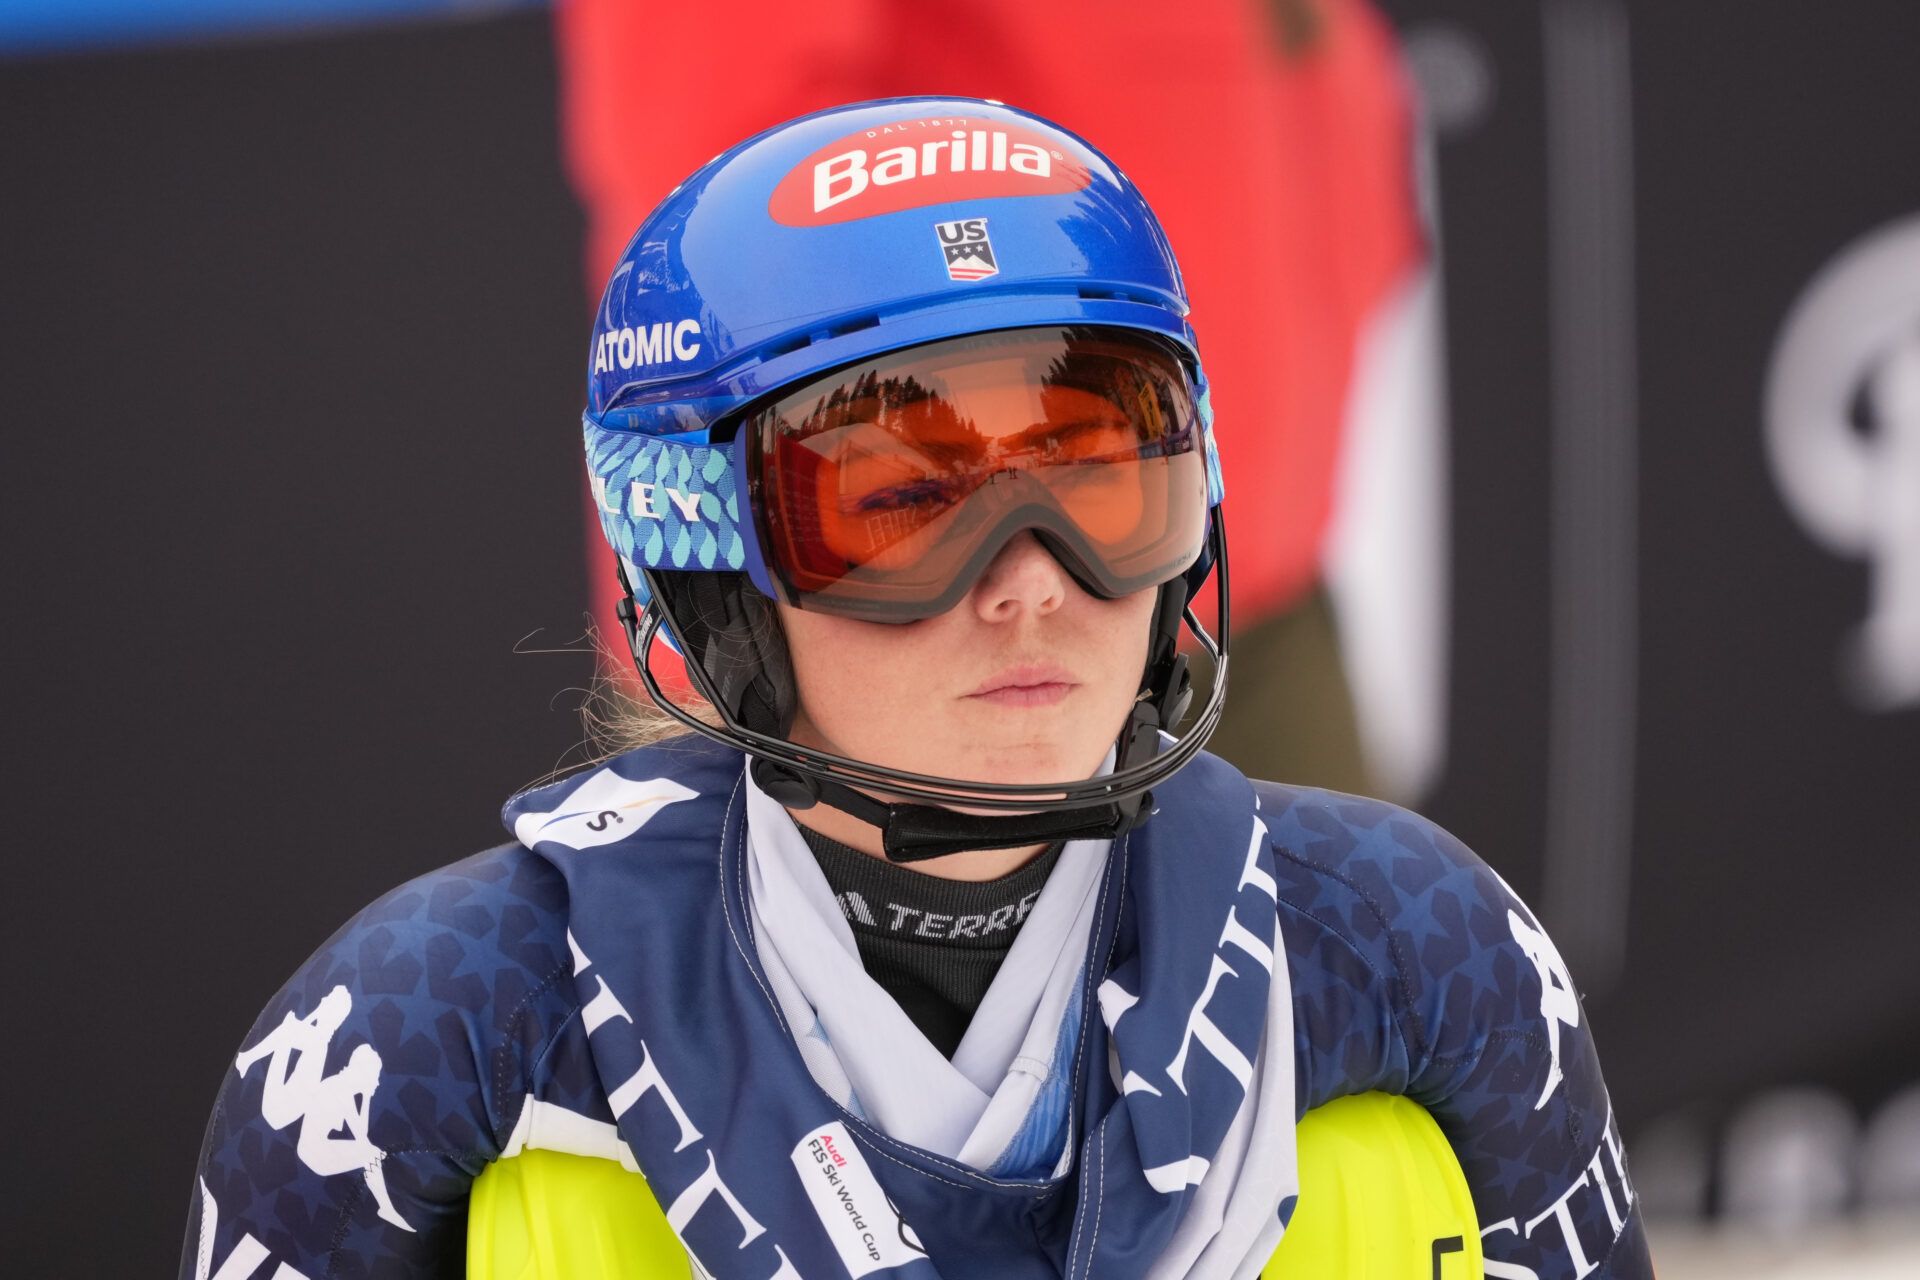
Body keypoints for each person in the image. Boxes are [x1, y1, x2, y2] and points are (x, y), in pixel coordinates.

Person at [181, 98, 1652, 1279]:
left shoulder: (1413, 946)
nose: (1031, 581)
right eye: (896, 504)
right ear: (708, 575)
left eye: (1094, 475)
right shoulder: (430, 1031)